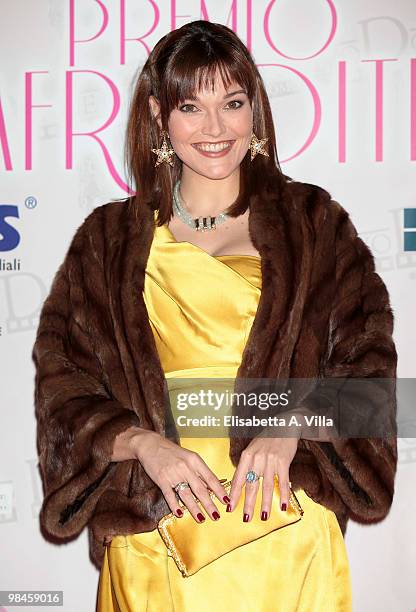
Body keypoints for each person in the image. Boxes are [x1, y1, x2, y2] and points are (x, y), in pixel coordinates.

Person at [33, 20, 398, 612]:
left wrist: (289, 427)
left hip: (286, 530)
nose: (214, 128)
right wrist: (144, 446)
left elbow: (373, 376)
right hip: (156, 529)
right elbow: (63, 384)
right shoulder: (108, 239)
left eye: (232, 102)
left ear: (254, 108)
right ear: (158, 114)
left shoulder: (315, 224)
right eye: (190, 106)